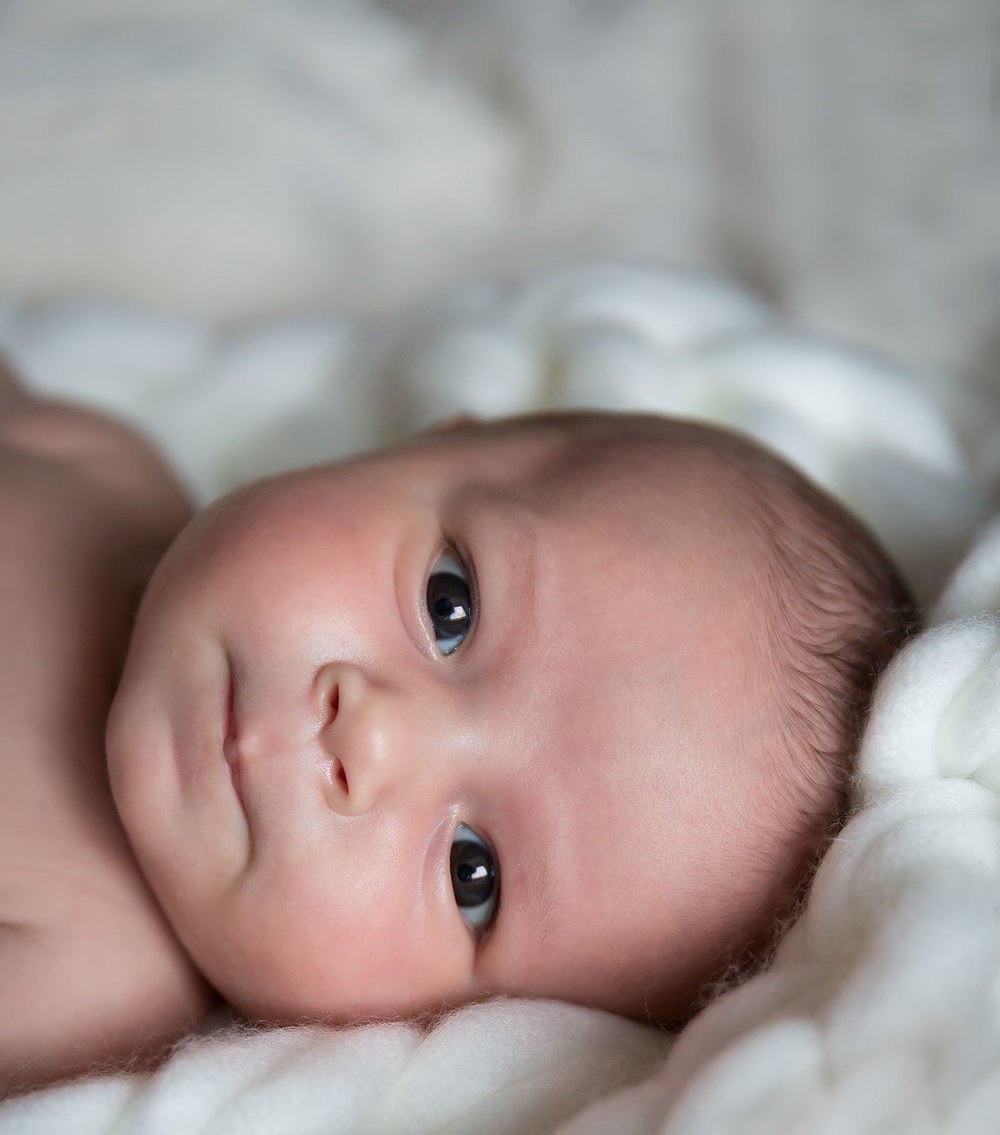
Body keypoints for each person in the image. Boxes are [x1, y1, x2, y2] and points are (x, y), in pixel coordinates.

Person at [0, 360, 916, 1093]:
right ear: (422, 445)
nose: (372, 742)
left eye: (469, 872)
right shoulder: (96, 464)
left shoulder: (85, 984)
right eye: (450, 606)